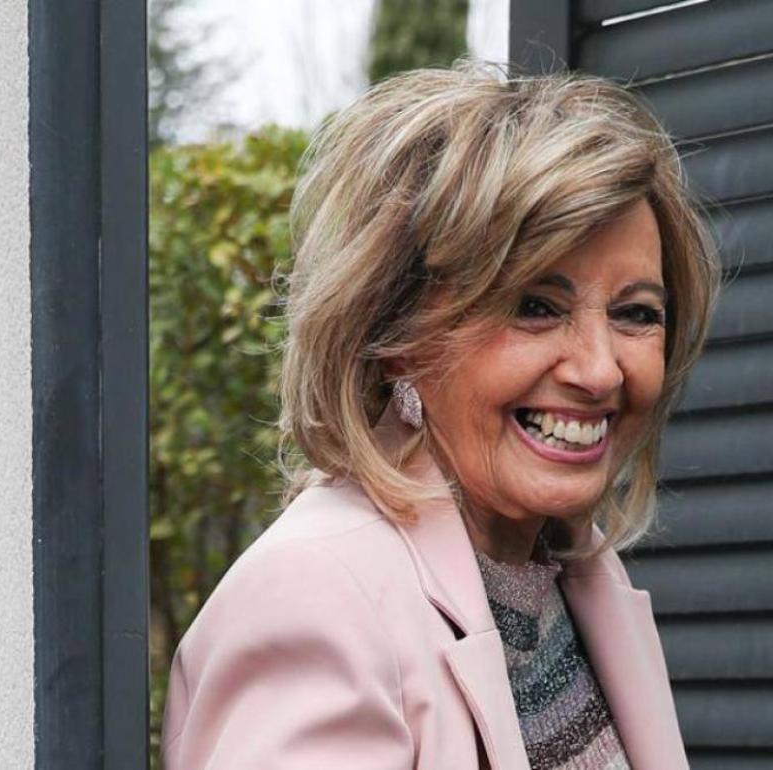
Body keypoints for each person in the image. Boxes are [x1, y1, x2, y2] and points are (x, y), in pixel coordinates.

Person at [161, 60, 720, 769]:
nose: (600, 369)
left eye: (635, 314)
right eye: (535, 306)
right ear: (397, 337)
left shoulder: (568, 571)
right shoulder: (317, 601)